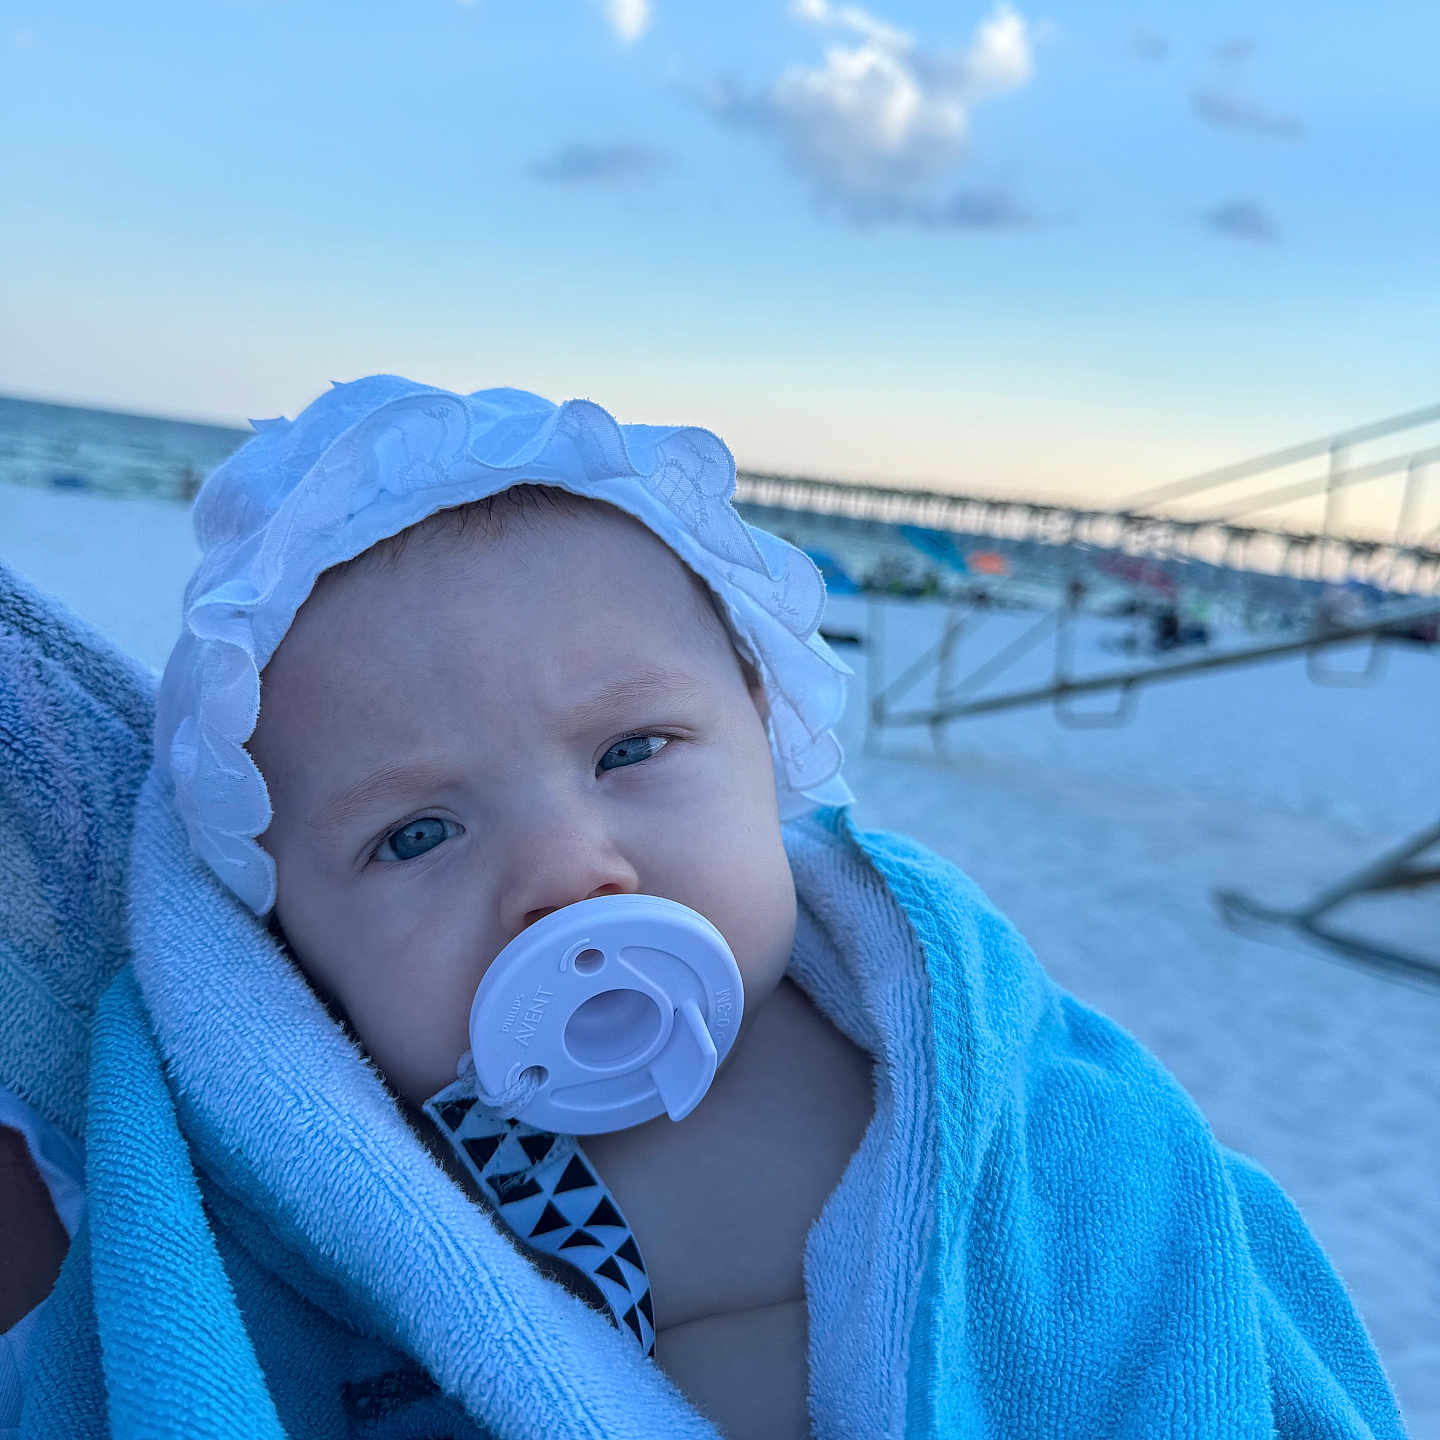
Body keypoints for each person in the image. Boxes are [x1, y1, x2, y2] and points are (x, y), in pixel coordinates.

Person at [2, 378, 1410, 1439]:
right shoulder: (351, 1172)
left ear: (766, 735)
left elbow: (1180, 1272)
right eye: (415, 834)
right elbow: (169, 1359)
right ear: (286, 934)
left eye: (629, 754)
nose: (566, 873)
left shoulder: (957, 1070)